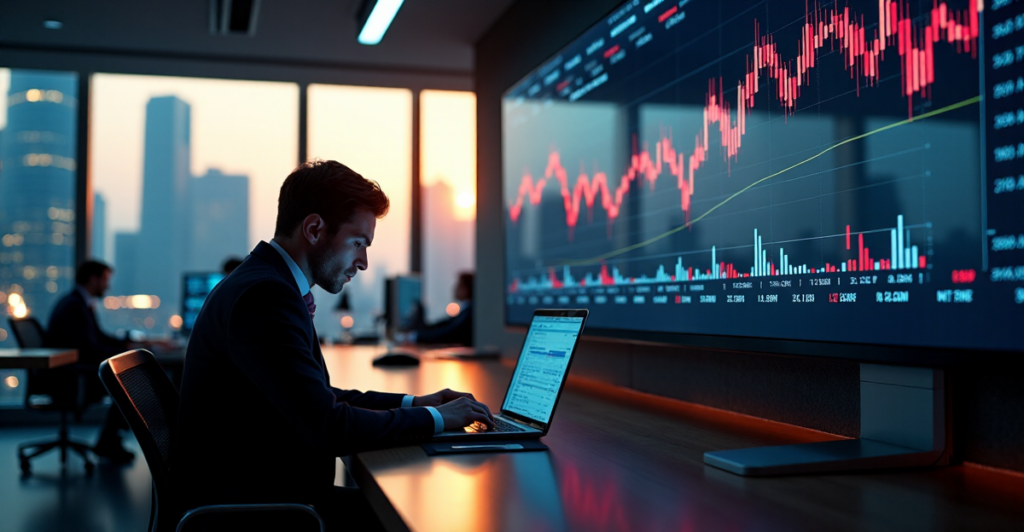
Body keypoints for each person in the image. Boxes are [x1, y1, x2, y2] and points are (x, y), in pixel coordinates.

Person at [177, 160, 494, 531]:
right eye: (358, 243)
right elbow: (327, 425)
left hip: (267, 493)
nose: (362, 261)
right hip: (259, 512)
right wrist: (438, 420)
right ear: (314, 229)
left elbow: (318, 396)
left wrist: (416, 404)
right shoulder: (265, 296)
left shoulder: (266, 283)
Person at [46, 260, 133, 462]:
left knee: (123, 379)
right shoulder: (74, 306)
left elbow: (98, 338)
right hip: (69, 378)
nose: (107, 286)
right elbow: (88, 349)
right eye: (104, 280)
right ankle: (109, 442)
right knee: (124, 381)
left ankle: (109, 441)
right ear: (93, 279)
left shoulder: (78, 303)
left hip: (71, 373)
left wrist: (128, 346)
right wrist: (125, 352)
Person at [413, 272, 474, 345]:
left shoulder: (468, 313)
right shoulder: (465, 311)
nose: (454, 288)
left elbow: (448, 333)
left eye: (458, 285)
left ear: (464, 289)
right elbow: (444, 325)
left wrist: (415, 337)